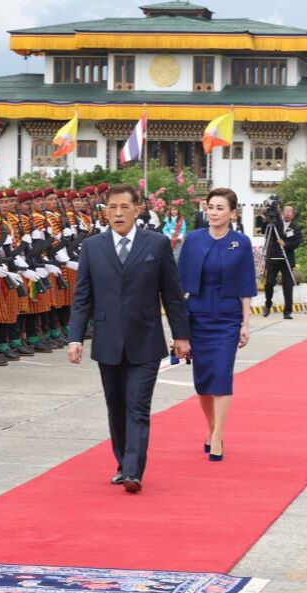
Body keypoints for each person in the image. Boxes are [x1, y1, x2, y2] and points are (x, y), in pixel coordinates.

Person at [67, 183, 190, 494]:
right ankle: (123, 463)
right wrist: (75, 338)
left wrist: (181, 337)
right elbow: (83, 297)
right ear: (105, 211)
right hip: (107, 340)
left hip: (145, 341)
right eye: (112, 208)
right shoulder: (93, 247)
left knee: (137, 405)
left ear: (138, 210)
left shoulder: (157, 244)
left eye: (124, 207)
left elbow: (173, 296)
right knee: (116, 406)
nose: (118, 213)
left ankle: (134, 471)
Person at [177, 188, 256, 462]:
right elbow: (179, 286)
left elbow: (246, 285)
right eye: (210, 207)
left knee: (221, 375)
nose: (214, 213)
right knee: (203, 381)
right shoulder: (193, 240)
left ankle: (219, 436)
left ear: (232, 213)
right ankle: (211, 429)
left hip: (227, 318)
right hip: (197, 316)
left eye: (220, 208)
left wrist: (245, 324)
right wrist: (178, 329)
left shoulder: (241, 243)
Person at [262, 204, 302, 319]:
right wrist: (266, 218)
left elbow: (298, 241)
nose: (288, 214)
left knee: (288, 285)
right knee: (269, 283)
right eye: (286, 211)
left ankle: (287, 311)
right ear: (282, 212)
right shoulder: (276, 223)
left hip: (287, 259)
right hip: (273, 257)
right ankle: (268, 304)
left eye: (290, 212)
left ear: (293, 215)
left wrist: (286, 244)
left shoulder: (295, 227)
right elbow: (265, 231)